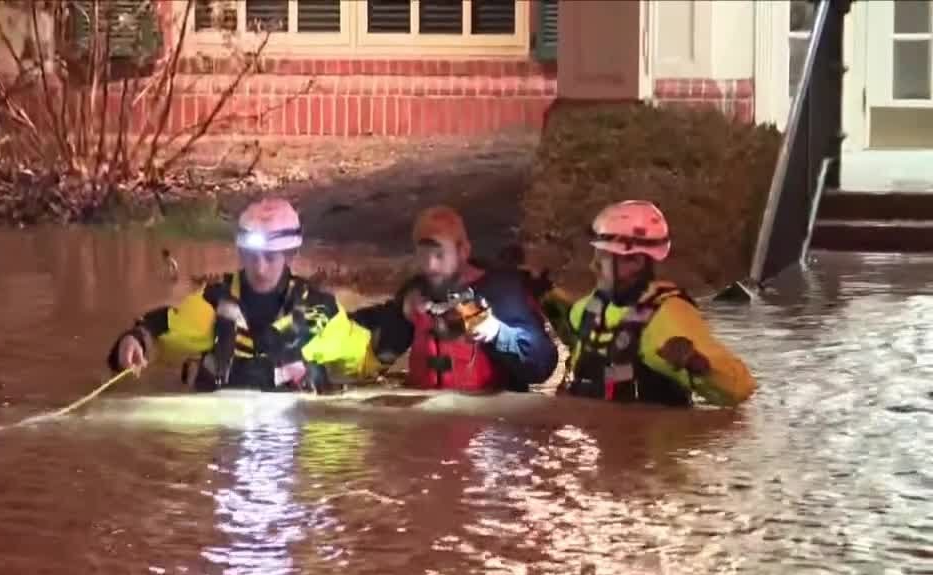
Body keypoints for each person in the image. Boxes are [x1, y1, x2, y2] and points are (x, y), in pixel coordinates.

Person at [107, 197, 376, 392]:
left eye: (270, 258)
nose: (259, 268)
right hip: (223, 433)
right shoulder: (213, 302)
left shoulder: (322, 312)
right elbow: (161, 327)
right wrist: (133, 341)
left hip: (294, 437)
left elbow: (367, 359)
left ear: (290, 255)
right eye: (250, 256)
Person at [531, 200, 756, 407]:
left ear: (636, 261)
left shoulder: (668, 316)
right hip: (597, 435)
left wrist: (694, 361)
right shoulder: (593, 305)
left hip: (641, 445)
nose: (593, 266)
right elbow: (586, 344)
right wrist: (544, 295)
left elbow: (740, 390)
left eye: (603, 257)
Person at [348, 206, 559, 392]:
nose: (430, 266)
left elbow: (543, 366)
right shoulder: (416, 292)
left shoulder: (501, 292)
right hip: (430, 418)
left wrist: (495, 331)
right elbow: (379, 338)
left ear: (463, 251)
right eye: (423, 254)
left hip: (489, 423)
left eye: (439, 255)